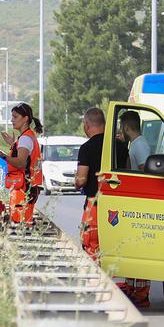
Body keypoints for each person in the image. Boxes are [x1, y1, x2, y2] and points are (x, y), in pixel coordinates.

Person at [0, 102, 44, 224]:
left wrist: (3, 156)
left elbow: (20, 163)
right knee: (23, 222)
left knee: (19, 225)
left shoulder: (25, 139)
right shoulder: (28, 136)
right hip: (29, 186)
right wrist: (13, 144)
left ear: (25, 119)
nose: (12, 120)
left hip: (23, 188)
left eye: (15, 117)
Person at [74, 107, 105, 261]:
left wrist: (76, 184)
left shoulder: (86, 148)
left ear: (86, 125)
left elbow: (81, 179)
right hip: (118, 204)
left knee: (91, 244)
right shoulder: (120, 147)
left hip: (95, 204)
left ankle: (96, 281)